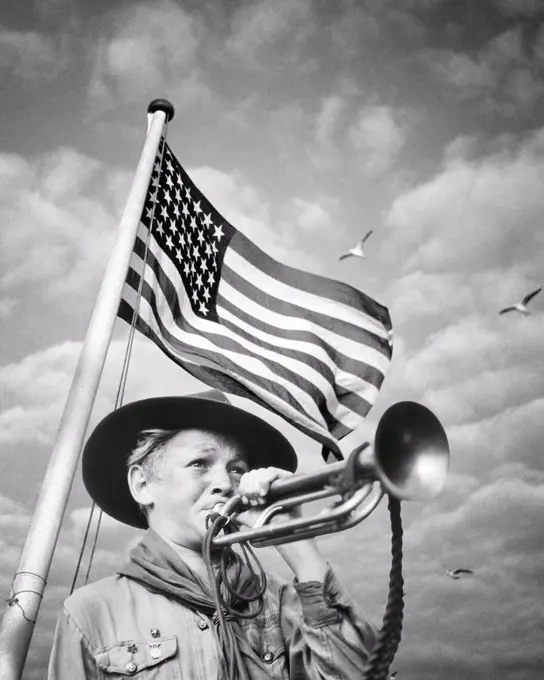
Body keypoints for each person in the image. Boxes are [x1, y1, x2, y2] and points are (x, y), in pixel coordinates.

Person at [48, 390, 378, 679]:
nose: (225, 483)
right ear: (142, 485)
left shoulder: (282, 603)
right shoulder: (89, 611)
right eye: (200, 464)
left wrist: (298, 546)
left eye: (236, 469)